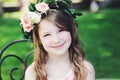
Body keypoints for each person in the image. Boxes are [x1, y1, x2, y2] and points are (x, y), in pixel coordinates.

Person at [20, 0, 95, 80]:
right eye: (47, 35)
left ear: (71, 31)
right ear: (39, 40)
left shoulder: (85, 70)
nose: (56, 40)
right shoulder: (33, 73)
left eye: (61, 30)